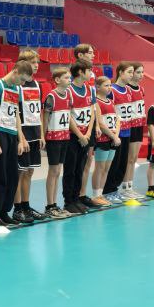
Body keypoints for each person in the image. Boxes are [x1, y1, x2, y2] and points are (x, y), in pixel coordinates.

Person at [0, 58, 32, 228]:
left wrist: (21, 138)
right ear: (15, 72)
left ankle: (5, 211)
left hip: (12, 134)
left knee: (12, 175)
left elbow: (16, 114)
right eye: (22, 79)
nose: (23, 83)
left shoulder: (17, 88)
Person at [14, 47, 45, 224]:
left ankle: (26, 205)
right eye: (33, 63)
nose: (36, 65)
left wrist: (41, 134)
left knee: (30, 171)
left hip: (35, 132)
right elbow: (15, 112)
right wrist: (21, 137)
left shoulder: (38, 85)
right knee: (20, 171)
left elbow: (39, 111)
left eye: (37, 63)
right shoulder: (18, 85)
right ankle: (17, 208)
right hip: (22, 133)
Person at [64, 61, 96, 214]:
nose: (91, 73)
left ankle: (76, 198)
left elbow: (92, 112)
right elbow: (68, 115)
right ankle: (68, 201)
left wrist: (88, 133)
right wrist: (80, 135)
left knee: (80, 169)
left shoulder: (90, 89)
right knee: (70, 169)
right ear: (81, 72)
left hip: (86, 135)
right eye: (89, 70)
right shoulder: (69, 90)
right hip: (73, 136)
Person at [42, 65, 72, 220]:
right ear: (57, 80)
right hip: (54, 138)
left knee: (58, 171)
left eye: (69, 77)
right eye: (66, 77)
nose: (69, 80)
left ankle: (54, 204)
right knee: (53, 171)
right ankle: (49, 205)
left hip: (65, 137)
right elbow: (45, 118)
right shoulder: (51, 97)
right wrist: (43, 136)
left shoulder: (68, 95)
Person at [103, 62, 135, 199]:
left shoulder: (128, 90)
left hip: (127, 131)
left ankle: (115, 189)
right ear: (121, 72)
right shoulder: (112, 90)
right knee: (114, 164)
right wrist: (114, 133)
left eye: (132, 72)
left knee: (123, 163)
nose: (132, 75)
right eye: (129, 72)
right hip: (116, 133)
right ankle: (107, 190)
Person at [90, 74, 119, 207]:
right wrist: (113, 136)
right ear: (98, 87)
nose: (109, 88)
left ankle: (100, 194)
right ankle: (95, 195)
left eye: (110, 85)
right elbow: (101, 123)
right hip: (103, 139)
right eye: (106, 85)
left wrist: (116, 135)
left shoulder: (111, 102)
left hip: (112, 138)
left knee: (107, 167)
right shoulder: (96, 102)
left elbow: (117, 119)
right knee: (100, 167)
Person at [123, 61, 146, 198]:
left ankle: (130, 186)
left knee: (134, 158)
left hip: (139, 125)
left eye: (142, 72)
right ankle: (125, 187)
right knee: (129, 158)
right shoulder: (127, 89)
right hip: (130, 125)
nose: (141, 75)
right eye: (138, 72)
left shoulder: (141, 89)